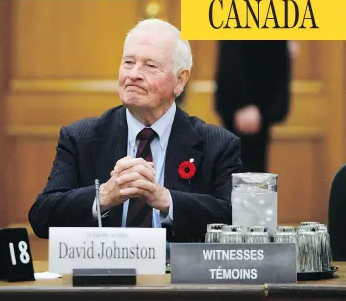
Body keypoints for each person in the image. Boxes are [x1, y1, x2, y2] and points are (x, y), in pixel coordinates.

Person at [28, 19, 242, 243]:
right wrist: (104, 196)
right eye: (129, 62)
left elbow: (235, 220)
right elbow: (42, 217)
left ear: (181, 79)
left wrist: (165, 199)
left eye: (150, 66)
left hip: (177, 275)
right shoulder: (81, 137)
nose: (134, 74)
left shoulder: (217, 144)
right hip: (104, 273)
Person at [214, 40, 291, 173]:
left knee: (253, 174)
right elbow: (232, 50)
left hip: (260, 105)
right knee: (245, 175)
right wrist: (242, 103)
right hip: (247, 108)